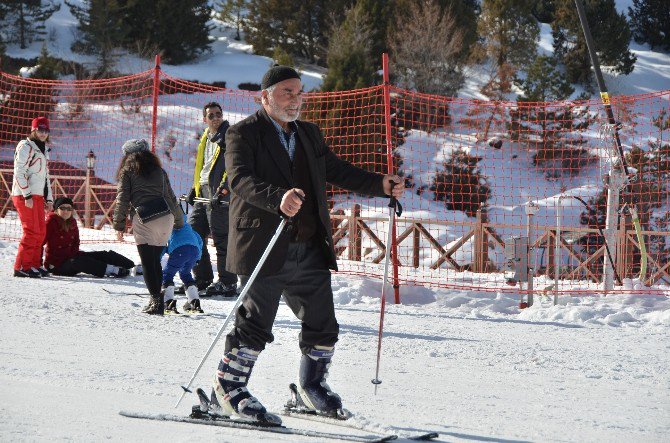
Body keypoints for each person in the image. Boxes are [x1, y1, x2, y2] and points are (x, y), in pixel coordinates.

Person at [209, 66, 404, 421]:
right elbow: (239, 180)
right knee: (255, 324)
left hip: (308, 244)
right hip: (263, 245)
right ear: (265, 96)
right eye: (287, 92)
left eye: (299, 92)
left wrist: (381, 185)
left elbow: (336, 170)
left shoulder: (310, 134)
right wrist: (277, 198)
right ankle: (229, 387)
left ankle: (310, 389)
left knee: (323, 322)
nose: (296, 100)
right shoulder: (242, 133)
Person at [113, 139, 183, 315]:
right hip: (165, 218)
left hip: (145, 219)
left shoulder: (127, 171)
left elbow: (122, 199)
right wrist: (179, 221)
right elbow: (171, 197)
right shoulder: (160, 171)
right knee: (155, 262)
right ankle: (158, 299)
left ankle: (155, 301)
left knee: (147, 262)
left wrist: (118, 225)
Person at [182, 102, 237, 297]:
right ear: (204, 119)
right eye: (211, 115)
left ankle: (228, 282)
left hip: (219, 194)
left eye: (218, 114)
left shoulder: (229, 135)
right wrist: (193, 189)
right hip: (203, 192)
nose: (215, 118)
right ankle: (203, 278)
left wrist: (223, 191)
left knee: (221, 239)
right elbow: (203, 167)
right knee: (193, 235)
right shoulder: (206, 136)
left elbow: (234, 167)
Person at [44, 197, 134, 278]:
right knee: (79, 261)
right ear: (56, 209)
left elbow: (76, 242)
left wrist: (75, 254)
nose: (66, 211)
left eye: (69, 208)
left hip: (73, 256)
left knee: (102, 254)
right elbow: (40, 242)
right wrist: (36, 263)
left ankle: (132, 267)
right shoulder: (50, 222)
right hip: (57, 264)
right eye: (62, 208)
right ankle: (111, 270)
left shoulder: (72, 222)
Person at [12, 116, 54, 278]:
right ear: (33, 130)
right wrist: (27, 194)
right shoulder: (25, 146)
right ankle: (22, 265)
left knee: (41, 232)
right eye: (40, 130)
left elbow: (45, 177)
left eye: (46, 130)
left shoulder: (43, 149)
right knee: (31, 231)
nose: (43, 133)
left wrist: (48, 199)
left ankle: (34, 264)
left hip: (37, 195)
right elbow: (19, 171)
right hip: (25, 195)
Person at [162, 214, 204, 314]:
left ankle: (168, 302)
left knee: (167, 274)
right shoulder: (188, 227)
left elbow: (163, 245)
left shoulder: (169, 228)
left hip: (179, 250)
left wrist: (156, 259)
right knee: (185, 274)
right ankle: (194, 302)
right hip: (194, 252)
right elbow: (200, 241)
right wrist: (198, 257)